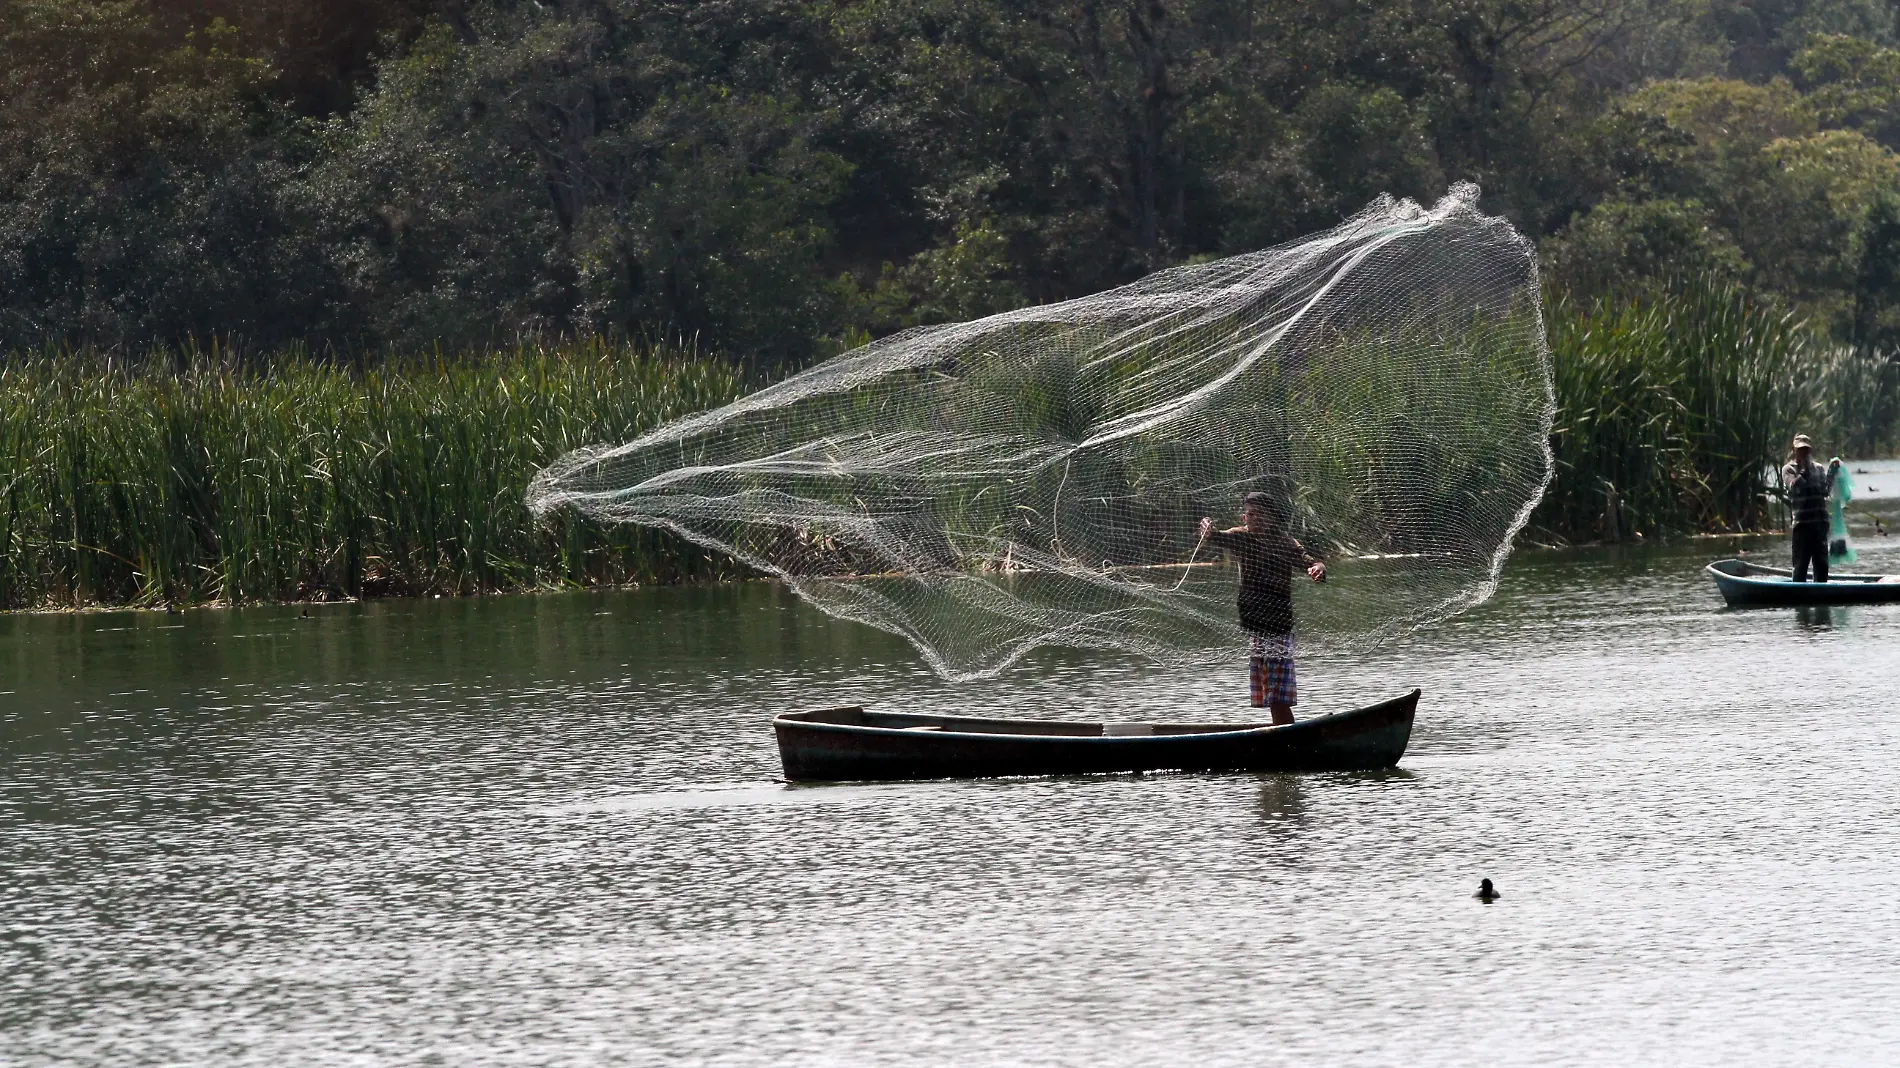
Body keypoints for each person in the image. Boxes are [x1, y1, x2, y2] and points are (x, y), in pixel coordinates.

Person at [1198, 492, 1326, 725]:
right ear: (1244, 517)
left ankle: (1288, 737)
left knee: (1278, 694)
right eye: (1249, 514)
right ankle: (1283, 735)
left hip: (1278, 626)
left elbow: (1310, 561)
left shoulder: (1284, 542)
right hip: (1256, 626)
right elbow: (1218, 537)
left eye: (1259, 514)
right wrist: (1208, 532)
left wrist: (1318, 569)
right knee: (1270, 690)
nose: (1253, 519)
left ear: (1272, 518)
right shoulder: (1241, 537)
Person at [1781, 434, 1841, 583]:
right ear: (1793, 450)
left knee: (1822, 566)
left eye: (1806, 450)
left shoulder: (1818, 468)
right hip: (1802, 526)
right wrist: (1804, 471)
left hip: (1819, 524)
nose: (1804, 453)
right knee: (1800, 565)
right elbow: (1794, 487)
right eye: (1800, 450)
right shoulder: (1788, 469)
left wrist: (1832, 474)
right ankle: (1799, 598)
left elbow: (1824, 491)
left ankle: (1820, 598)